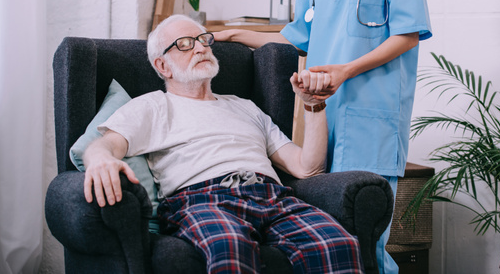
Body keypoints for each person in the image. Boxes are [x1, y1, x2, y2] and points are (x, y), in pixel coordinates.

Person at [214, 0, 432, 272]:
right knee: (332, 241)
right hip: (320, 120)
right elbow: (299, 39)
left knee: (369, 243)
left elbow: (407, 35)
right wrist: (237, 34)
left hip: (372, 118)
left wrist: (345, 71)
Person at [82, 14, 364, 274]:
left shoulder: (246, 107)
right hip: (202, 200)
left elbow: (308, 168)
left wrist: (314, 105)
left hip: (273, 196)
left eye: (204, 40)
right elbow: (105, 145)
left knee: (339, 245)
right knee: (229, 249)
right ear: (162, 65)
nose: (201, 48)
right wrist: (100, 160)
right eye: (185, 44)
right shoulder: (152, 106)